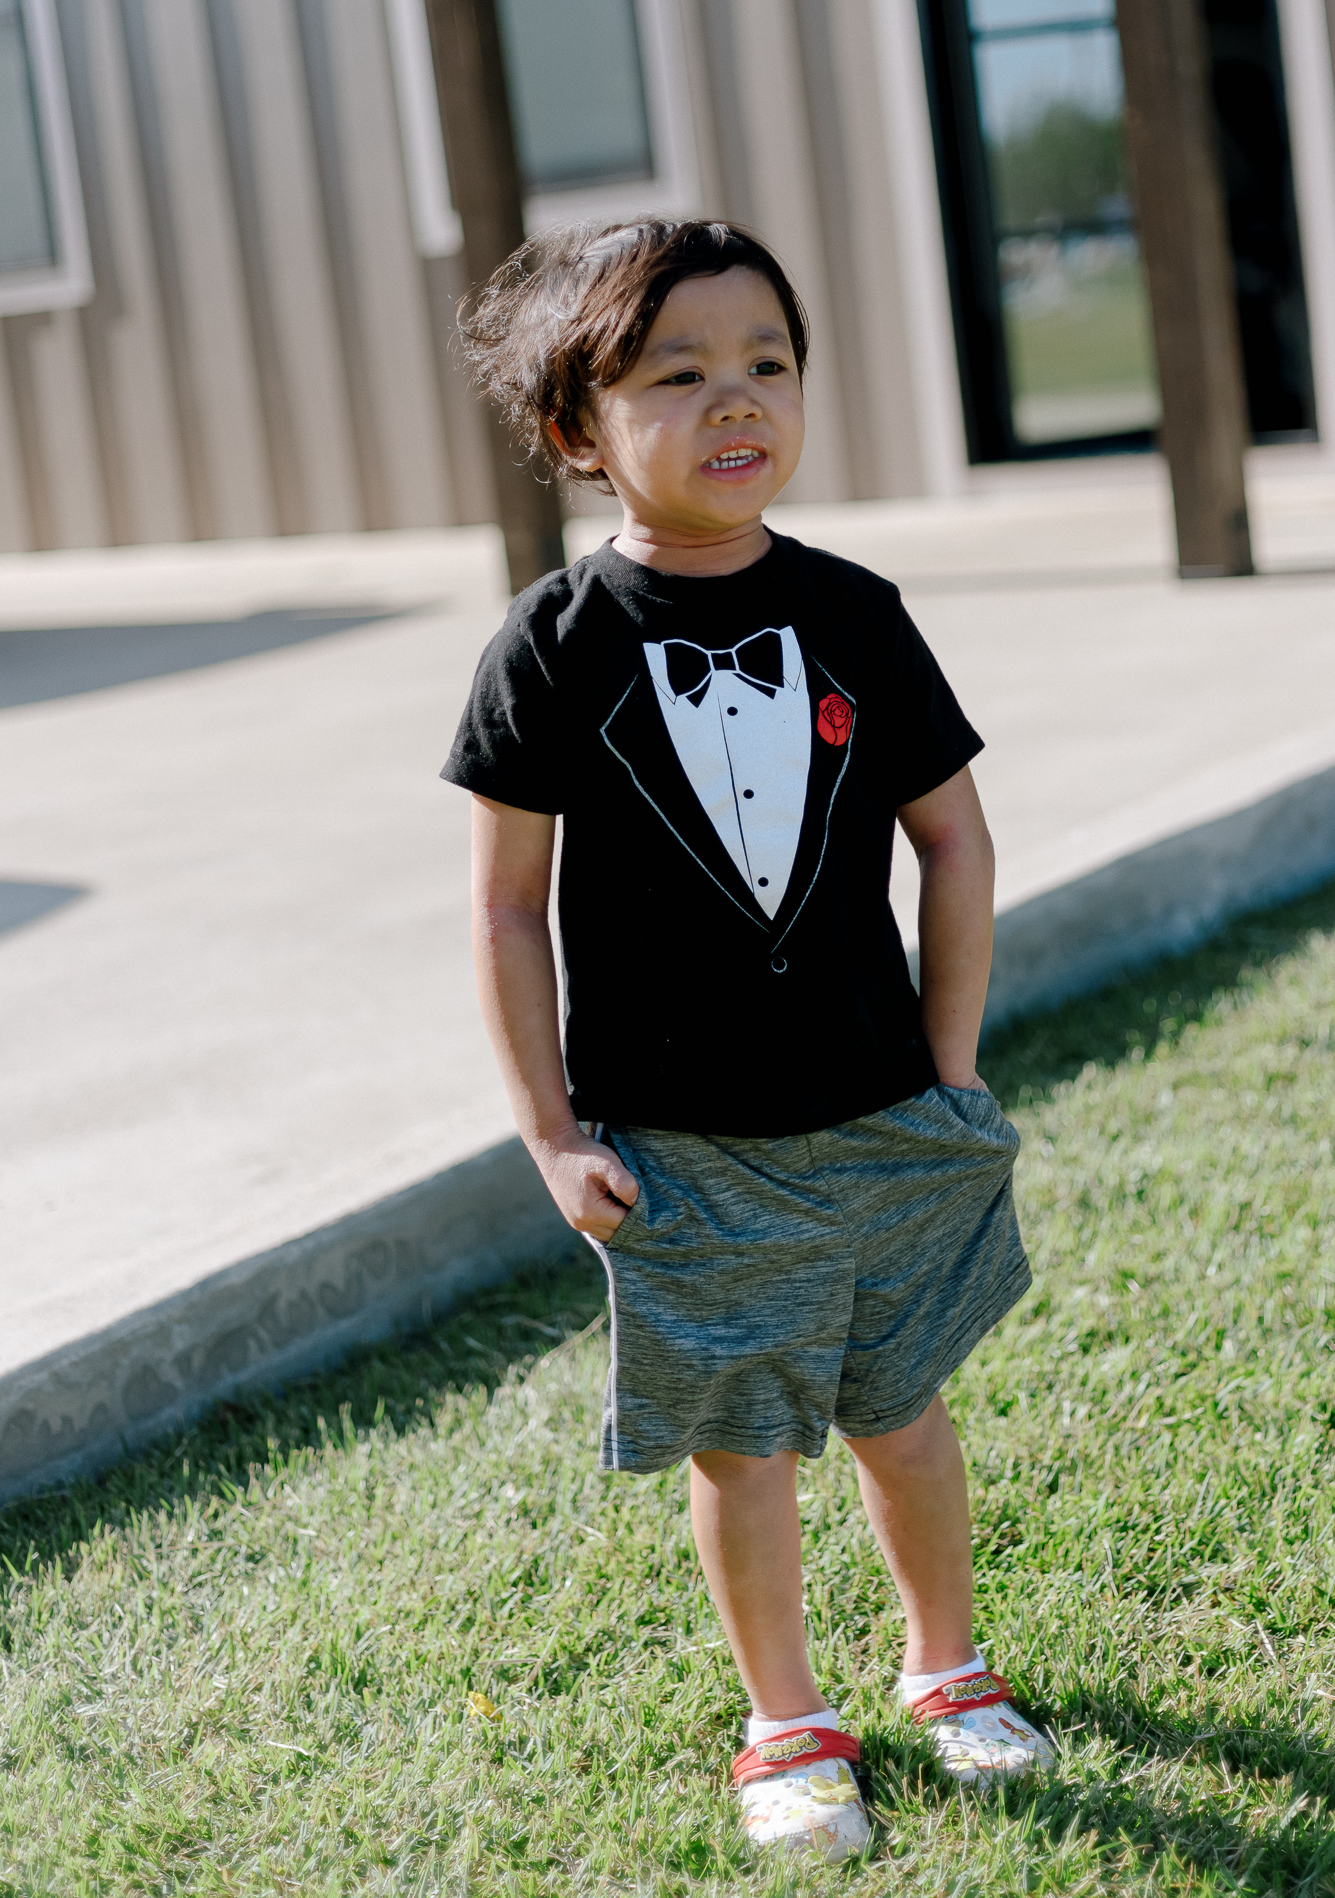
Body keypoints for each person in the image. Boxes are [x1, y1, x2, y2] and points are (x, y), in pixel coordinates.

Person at [442, 218, 1051, 1860]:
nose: (736, 399)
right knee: (745, 1445)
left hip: (881, 1107)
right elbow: (504, 912)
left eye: (768, 363)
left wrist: (951, 1066)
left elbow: (956, 843)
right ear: (578, 429)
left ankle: (946, 1666)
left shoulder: (858, 611)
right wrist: (552, 1131)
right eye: (677, 374)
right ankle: (787, 1722)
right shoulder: (550, 646)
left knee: (903, 1413)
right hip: (679, 1139)